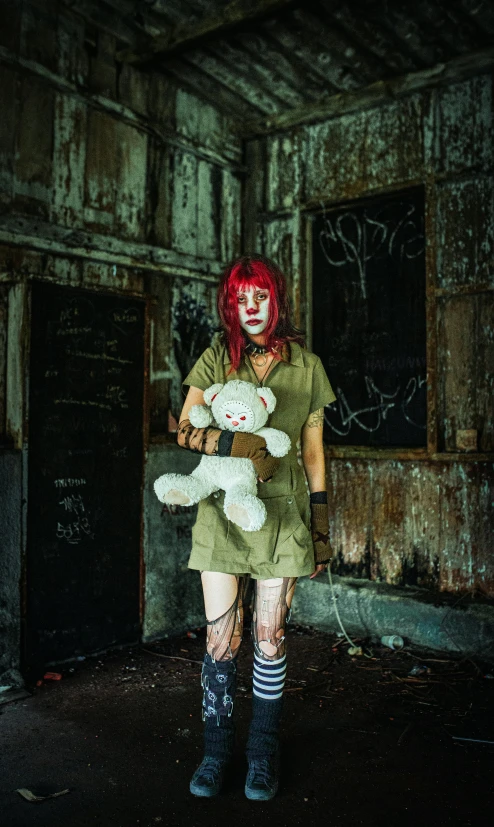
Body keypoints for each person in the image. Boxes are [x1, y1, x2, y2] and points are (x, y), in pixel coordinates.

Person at [170, 254, 335, 801]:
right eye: (241, 299)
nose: (252, 308)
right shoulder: (219, 354)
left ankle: (262, 755)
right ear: (231, 306)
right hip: (221, 513)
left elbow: (312, 452)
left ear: (276, 298)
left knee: (269, 638)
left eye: (260, 295)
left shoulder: (307, 366)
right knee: (223, 639)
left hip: (284, 514)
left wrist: (321, 524)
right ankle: (216, 753)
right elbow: (184, 430)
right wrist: (239, 445)